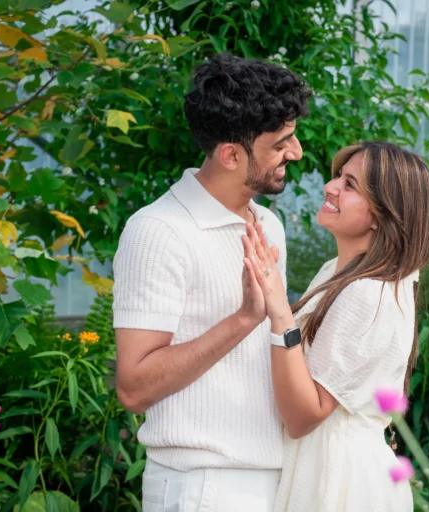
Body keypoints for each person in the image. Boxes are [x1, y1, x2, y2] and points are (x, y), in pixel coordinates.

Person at [112, 53, 311, 512]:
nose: (296, 153)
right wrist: (244, 318)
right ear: (230, 155)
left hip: (273, 479)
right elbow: (134, 387)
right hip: (203, 487)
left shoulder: (267, 226)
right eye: (281, 142)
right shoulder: (158, 230)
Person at [241, 141, 429, 512]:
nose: (330, 188)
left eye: (350, 185)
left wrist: (279, 310)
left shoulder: (368, 293)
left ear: (383, 214)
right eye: (338, 177)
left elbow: (304, 416)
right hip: (324, 464)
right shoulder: (337, 273)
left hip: (339, 480)